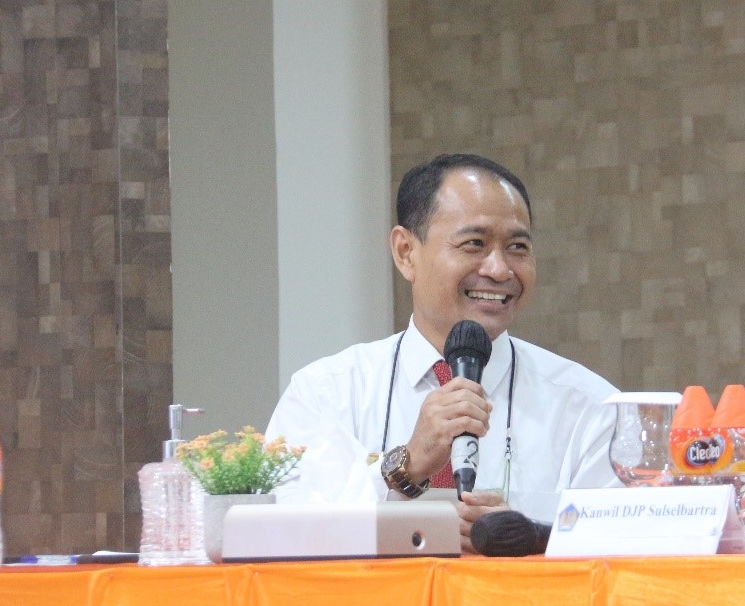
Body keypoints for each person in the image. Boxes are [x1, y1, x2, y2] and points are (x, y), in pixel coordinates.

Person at [265, 154, 620, 550]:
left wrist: (534, 537)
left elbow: (627, 549)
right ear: (405, 252)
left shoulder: (591, 407)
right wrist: (406, 466)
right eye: (474, 244)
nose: (499, 269)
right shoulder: (326, 394)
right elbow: (277, 536)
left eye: (517, 247)